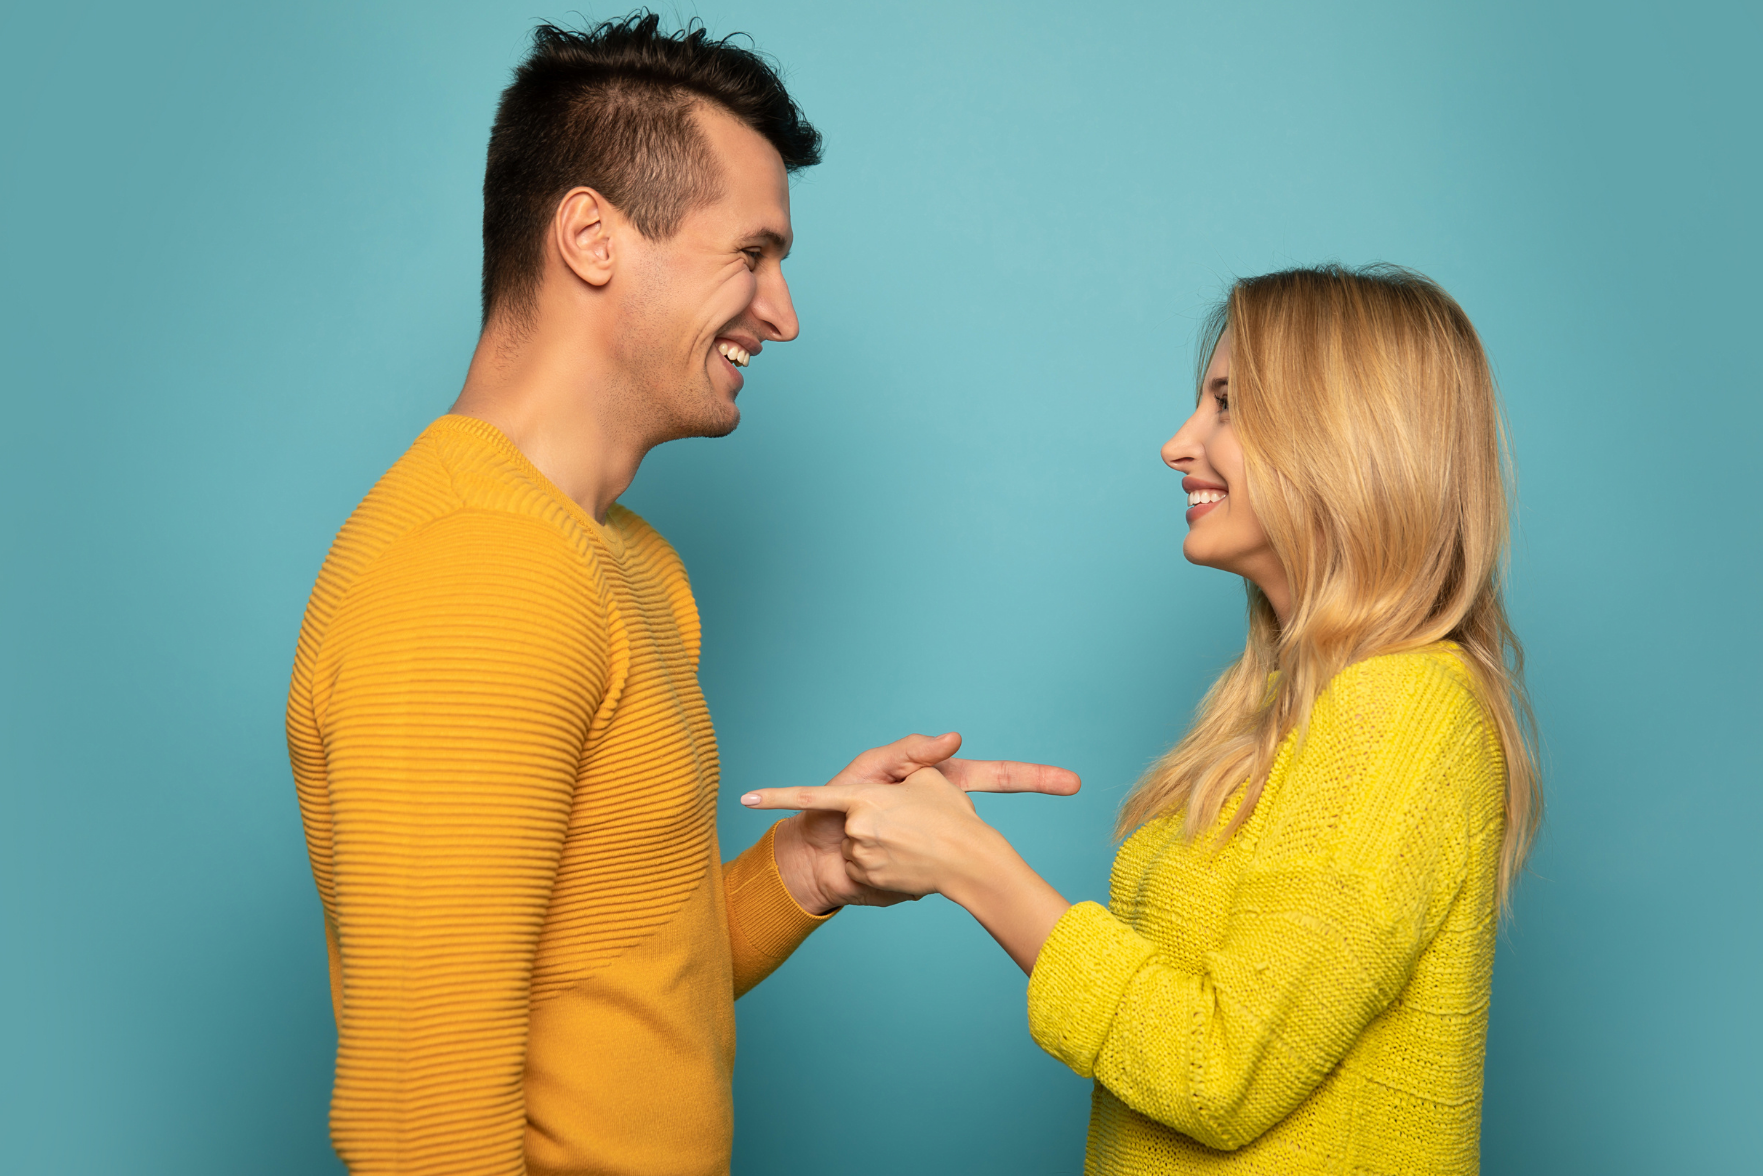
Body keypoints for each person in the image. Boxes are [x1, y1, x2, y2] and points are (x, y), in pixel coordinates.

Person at [284, 15, 1078, 1176]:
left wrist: (808, 868)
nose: (783, 312)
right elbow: (416, 1126)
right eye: (750, 254)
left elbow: (615, 972)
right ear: (592, 238)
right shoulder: (472, 571)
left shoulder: (621, 560)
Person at [746, 264, 1542, 1174]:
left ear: (1346, 436)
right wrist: (932, 835)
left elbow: (1216, 1071)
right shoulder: (1288, 707)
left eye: (1226, 406)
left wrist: (973, 867)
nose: (1176, 444)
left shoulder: (1404, 710)